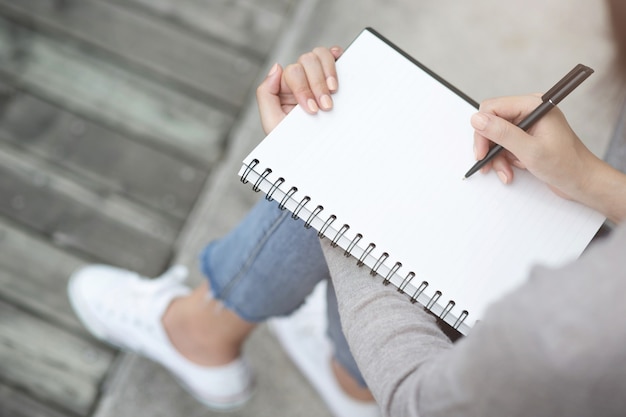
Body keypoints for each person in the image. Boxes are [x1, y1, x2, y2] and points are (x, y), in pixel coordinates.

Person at [68, 1, 626, 416]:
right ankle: (350, 378)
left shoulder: (580, 320)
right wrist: (594, 182)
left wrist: (333, 204)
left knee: (334, 177)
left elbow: (422, 399)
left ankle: (202, 332)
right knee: (359, 149)